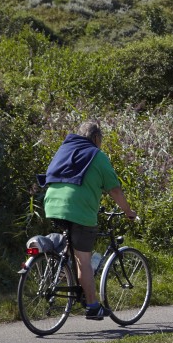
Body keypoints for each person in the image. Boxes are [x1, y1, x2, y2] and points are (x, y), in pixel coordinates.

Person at [40, 120, 136, 320]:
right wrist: (128, 211)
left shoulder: (65, 150)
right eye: (100, 140)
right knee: (84, 259)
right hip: (79, 209)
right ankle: (92, 306)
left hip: (52, 204)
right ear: (95, 138)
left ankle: (63, 270)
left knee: (71, 249)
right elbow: (115, 190)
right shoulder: (97, 155)